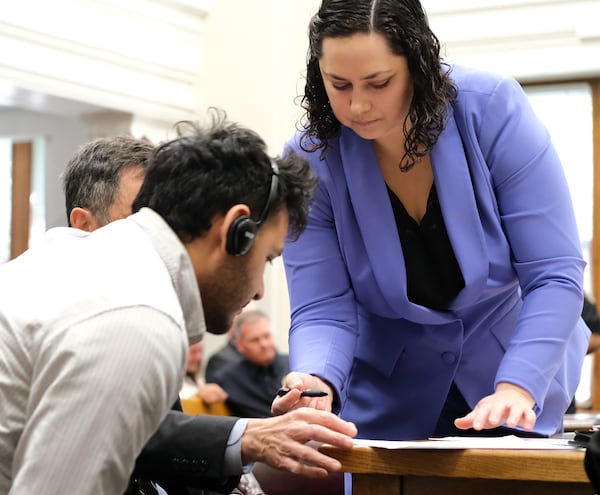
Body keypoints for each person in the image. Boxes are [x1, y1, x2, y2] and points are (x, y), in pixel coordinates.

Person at [272, 0, 590, 447]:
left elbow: (553, 273)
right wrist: (316, 380)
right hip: (389, 392)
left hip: (511, 374)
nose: (357, 105)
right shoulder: (310, 158)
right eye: (338, 84)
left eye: (378, 83)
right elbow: (323, 306)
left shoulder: (492, 109)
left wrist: (517, 384)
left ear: (418, 64)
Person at [0, 112, 358, 494]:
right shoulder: (139, 317)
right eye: (266, 260)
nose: (259, 292)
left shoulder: (80, 259)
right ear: (236, 231)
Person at [216, 309, 289, 417]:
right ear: (240, 346)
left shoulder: (294, 365)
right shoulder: (229, 379)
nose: (264, 344)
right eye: (255, 340)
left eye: (266, 336)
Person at [180, 340, 229, 404]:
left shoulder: (200, 382)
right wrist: (198, 394)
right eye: (193, 352)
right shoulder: (172, 384)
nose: (198, 357)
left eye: (200, 351)